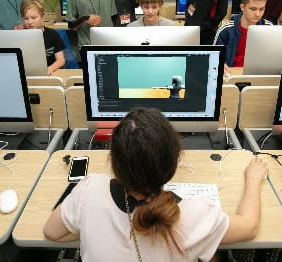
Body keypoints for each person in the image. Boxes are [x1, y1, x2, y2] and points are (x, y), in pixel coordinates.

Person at [44, 107, 268, 261]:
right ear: (174, 162)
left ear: (114, 161)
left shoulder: (89, 189)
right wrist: (252, 179)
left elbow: (52, 232)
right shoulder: (195, 216)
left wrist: (90, 228)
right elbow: (250, 226)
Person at [213, 0, 272, 75]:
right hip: (232, 75)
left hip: (259, 74)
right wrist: (219, 64)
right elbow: (213, 58)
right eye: (253, 9)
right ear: (242, 7)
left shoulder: (269, 28)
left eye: (261, 9)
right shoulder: (226, 30)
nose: (257, 14)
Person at [18, 0, 65, 75]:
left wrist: (50, 68)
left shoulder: (53, 34)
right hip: (29, 74)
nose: (30, 22)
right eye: (26, 18)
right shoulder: (20, 35)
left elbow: (61, 60)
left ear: (42, 16)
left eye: (33, 18)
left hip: (50, 73)